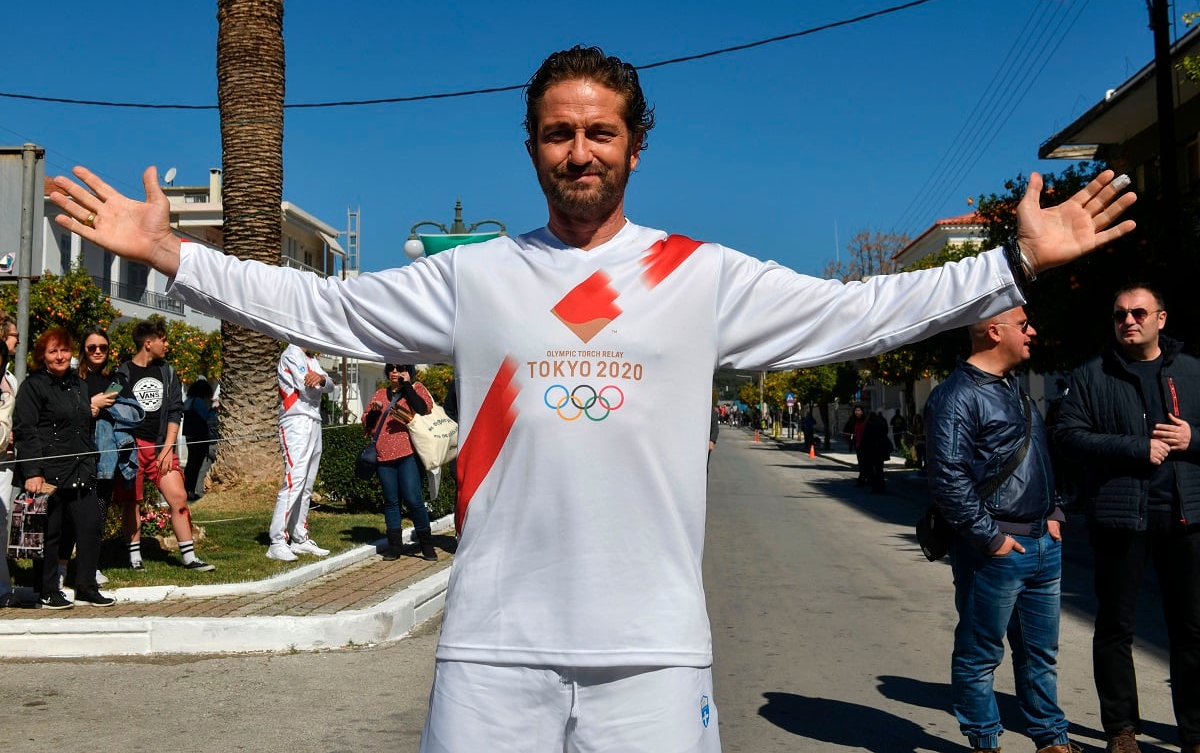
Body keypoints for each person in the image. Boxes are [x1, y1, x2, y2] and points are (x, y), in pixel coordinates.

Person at [50, 44, 1135, 752]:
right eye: (558, 133)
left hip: (653, 656)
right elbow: (323, 308)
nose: (579, 150)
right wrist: (175, 258)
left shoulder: (698, 277)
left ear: (634, 143)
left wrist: (1009, 268)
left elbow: (860, 314)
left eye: (599, 131)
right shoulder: (476, 277)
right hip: (491, 649)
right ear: (532, 147)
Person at [1054, 283, 1200, 753]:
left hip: (1185, 516)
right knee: (1116, 628)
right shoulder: (1093, 375)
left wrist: (1191, 439)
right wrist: (1136, 448)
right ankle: (1121, 729)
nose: (1128, 321)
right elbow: (1068, 436)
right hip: (1121, 519)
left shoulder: (1193, 373)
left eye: (1139, 312)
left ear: (1161, 318)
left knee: (1191, 629)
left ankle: (1194, 732)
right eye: (1119, 315)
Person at [925, 307, 1076, 753]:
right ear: (994, 331)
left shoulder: (1016, 389)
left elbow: (1039, 457)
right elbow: (948, 480)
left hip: (1043, 542)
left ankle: (1051, 738)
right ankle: (984, 741)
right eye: (1024, 325)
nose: (1033, 331)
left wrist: (1055, 513)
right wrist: (991, 539)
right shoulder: (956, 396)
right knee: (979, 654)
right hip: (996, 549)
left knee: (1040, 655)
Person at [12, 328, 114, 609]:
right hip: (47, 472)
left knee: (91, 525)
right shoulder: (33, 386)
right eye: (53, 351)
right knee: (49, 533)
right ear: (42, 357)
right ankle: (45, 589)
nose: (60, 356)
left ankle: (85, 586)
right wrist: (33, 471)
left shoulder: (78, 384)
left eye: (64, 350)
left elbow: (83, 425)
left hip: (81, 468)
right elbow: (25, 430)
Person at [113, 318, 215, 572]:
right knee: (131, 503)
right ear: (148, 343)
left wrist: (168, 447)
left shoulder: (167, 372)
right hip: (132, 449)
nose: (167, 344)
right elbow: (113, 404)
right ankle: (135, 558)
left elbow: (174, 410)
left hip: (160, 448)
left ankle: (189, 557)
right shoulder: (122, 373)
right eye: (163, 339)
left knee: (179, 498)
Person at [57, 327, 120, 590]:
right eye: (92, 347)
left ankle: (90, 565)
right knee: (69, 515)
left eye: (102, 347)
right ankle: (61, 568)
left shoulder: (116, 380)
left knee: (98, 514)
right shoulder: (73, 378)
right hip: (77, 454)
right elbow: (61, 411)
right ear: (83, 350)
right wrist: (90, 404)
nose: (97, 352)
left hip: (105, 458)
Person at [362, 364, 437, 562]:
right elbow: (368, 426)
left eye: (400, 368)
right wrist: (374, 413)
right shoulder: (380, 393)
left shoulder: (416, 389)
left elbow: (423, 408)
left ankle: (426, 545)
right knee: (391, 502)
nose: (395, 372)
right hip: (383, 455)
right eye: (392, 368)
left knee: (413, 500)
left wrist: (407, 386)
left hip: (408, 454)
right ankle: (395, 546)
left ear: (408, 371)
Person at [268, 344, 334, 561]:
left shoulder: (312, 358)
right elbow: (306, 387)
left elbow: (330, 385)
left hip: (314, 420)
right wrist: (319, 380)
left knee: (307, 484)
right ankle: (277, 541)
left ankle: (299, 537)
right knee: (294, 480)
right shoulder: (291, 353)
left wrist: (322, 379)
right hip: (295, 420)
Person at [0, 316, 20, 606]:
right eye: (13, 335)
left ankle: (2, 587)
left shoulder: (9, 382)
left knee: (0, 522)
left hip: (3, 461)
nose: (17, 339)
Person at [182, 378, 216, 501]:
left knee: (191, 464)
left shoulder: (188, 400)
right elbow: (206, 416)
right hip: (200, 436)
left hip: (189, 436)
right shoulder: (199, 402)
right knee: (197, 465)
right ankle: (192, 490)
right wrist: (213, 409)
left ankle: (186, 489)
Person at [860, 410, 892, 493]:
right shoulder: (881, 424)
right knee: (880, 469)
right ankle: (881, 487)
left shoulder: (869, 426)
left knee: (872, 470)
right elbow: (886, 433)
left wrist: (863, 450)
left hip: (872, 451)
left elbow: (865, 439)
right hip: (881, 451)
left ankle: (875, 487)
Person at [843, 404, 868, 483]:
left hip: (866, 445)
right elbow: (846, 430)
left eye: (859, 410)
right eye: (856, 411)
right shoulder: (852, 420)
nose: (857, 412)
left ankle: (864, 478)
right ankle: (862, 478)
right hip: (857, 444)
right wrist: (851, 438)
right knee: (861, 462)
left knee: (865, 462)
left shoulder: (866, 420)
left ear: (862, 412)